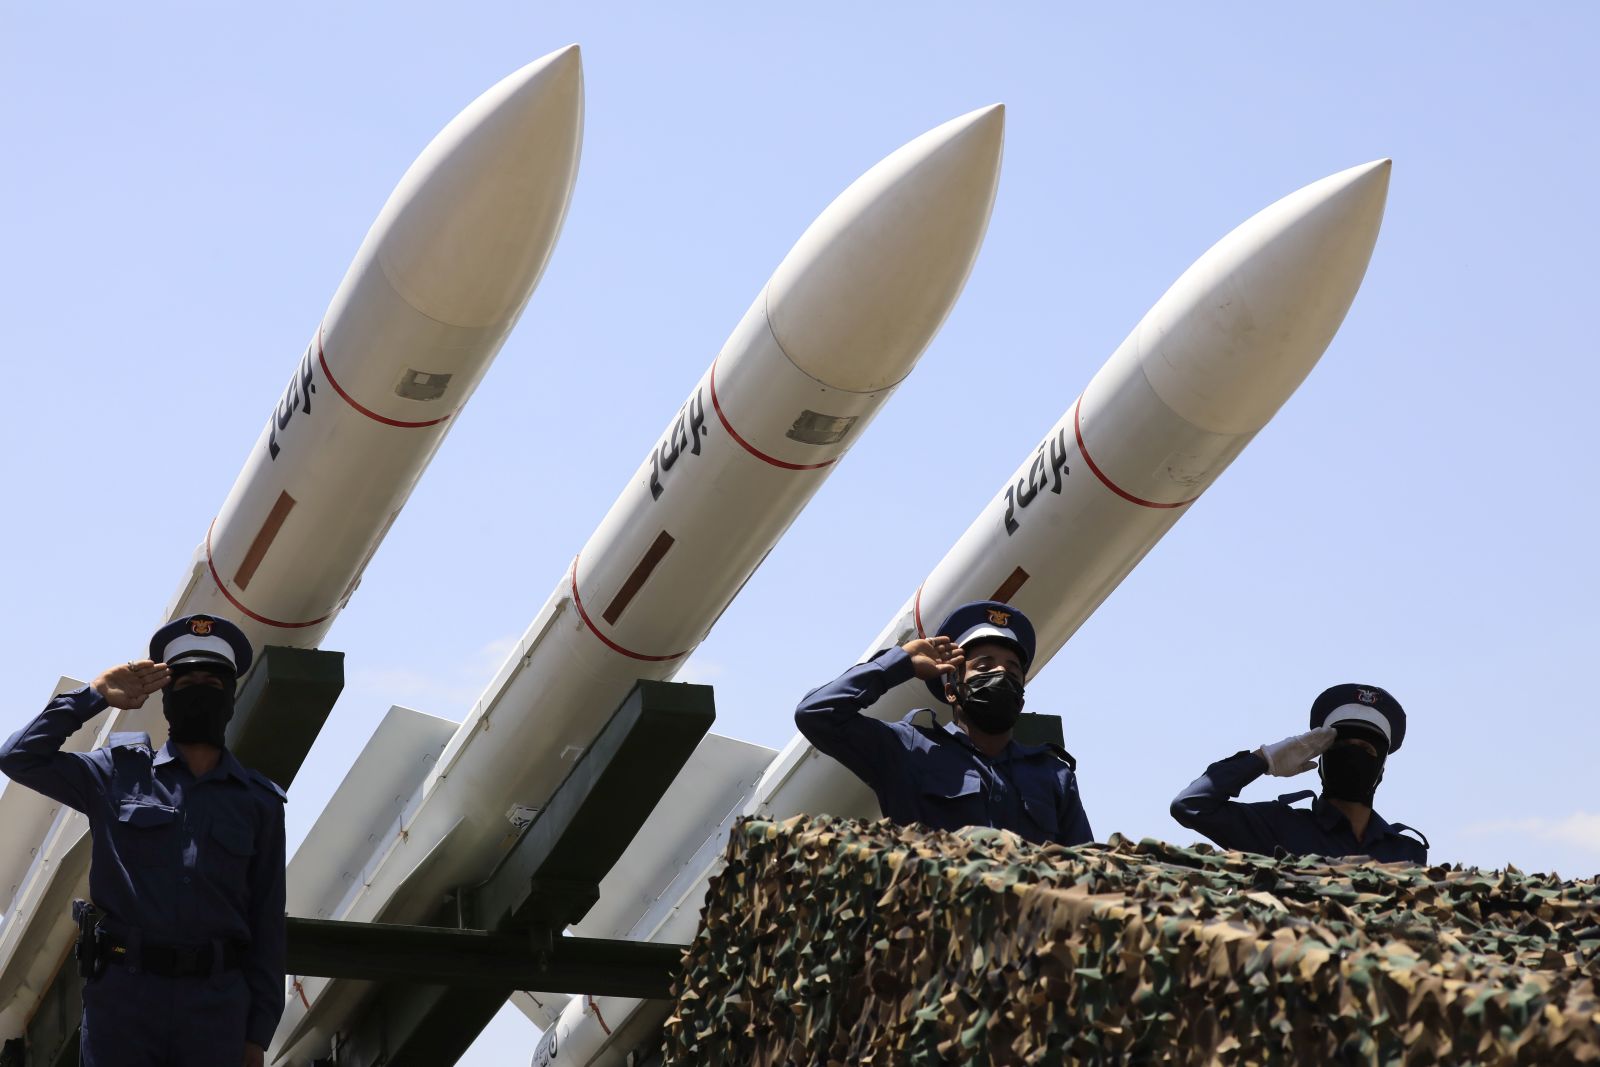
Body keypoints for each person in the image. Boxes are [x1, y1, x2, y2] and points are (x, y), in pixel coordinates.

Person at [0, 614, 287, 1067]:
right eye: (186, 679)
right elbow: (18, 758)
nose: (199, 688)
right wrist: (93, 695)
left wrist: (257, 1034)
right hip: (124, 1006)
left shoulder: (258, 802)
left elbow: (268, 924)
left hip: (215, 1013)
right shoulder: (115, 774)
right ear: (167, 697)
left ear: (231, 697)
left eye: (212, 681)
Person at [795, 600, 1091, 846]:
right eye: (984, 666)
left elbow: (1087, 873)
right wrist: (900, 663)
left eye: (1013, 672)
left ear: (1021, 701)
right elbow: (817, 713)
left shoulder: (1054, 777)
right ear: (951, 691)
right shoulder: (909, 751)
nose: (1001, 673)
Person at [1169, 683, 1427, 863]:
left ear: (1381, 767)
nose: (1352, 757)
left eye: (1366, 749)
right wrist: (1263, 759)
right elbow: (1191, 806)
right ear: (1322, 758)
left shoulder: (1406, 851)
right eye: (1342, 747)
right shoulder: (1277, 826)